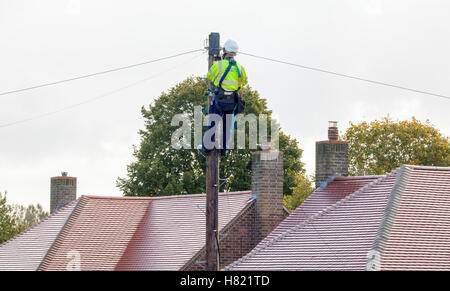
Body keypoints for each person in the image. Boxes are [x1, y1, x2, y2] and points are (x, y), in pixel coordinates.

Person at [198, 39, 248, 156]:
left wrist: (218, 82)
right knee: (227, 125)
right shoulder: (240, 68)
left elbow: (210, 75)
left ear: (224, 51)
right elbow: (243, 82)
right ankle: (224, 149)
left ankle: (206, 147)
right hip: (232, 101)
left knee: (213, 122)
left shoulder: (218, 65)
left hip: (219, 100)